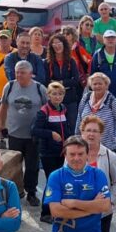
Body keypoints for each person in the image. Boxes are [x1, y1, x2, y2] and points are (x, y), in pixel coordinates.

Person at [73, 116, 116, 232]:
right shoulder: (73, 153)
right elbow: (64, 177)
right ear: (82, 133)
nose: (91, 134)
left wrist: (111, 202)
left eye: (95, 131)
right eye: (88, 130)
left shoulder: (109, 155)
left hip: (102, 211)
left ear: (101, 134)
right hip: (79, 210)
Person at [0, 61, 49, 207]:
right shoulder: (10, 86)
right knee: (14, 166)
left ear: (30, 74)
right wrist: (1, 125)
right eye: (17, 72)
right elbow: (3, 106)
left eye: (23, 72)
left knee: (32, 166)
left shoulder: (40, 89)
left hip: (33, 135)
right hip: (14, 133)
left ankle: (31, 192)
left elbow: (47, 109)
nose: (19, 75)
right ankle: (16, 191)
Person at [34, 82, 70, 222]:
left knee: (60, 181)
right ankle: (45, 212)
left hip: (62, 152)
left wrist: (68, 140)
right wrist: (51, 134)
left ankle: (57, 209)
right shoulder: (43, 111)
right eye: (54, 94)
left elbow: (66, 128)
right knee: (51, 182)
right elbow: (35, 130)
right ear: (48, 95)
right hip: (48, 153)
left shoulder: (63, 109)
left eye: (60, 94)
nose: (57, 96)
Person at [76, 72, 116, 153]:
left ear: (106, 85)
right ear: (91, 86)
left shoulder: (112, 101)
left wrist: (114, 139)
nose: (97, 86)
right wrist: (78, 137)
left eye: (100, 84)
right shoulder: (86, 98)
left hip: (108, 147)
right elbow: (79, 118)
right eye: (94, 84)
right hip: (87, 145)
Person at [90, 29, 116, 117]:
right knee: (104, 121)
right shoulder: (97, 55)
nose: (110, 40)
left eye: (112, 37)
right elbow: (92, 76)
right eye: (108, 38)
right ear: (103, 40)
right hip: (103, 95)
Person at [43, 33, 82, 128]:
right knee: (56, 126)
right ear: (51, 46)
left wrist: (61, 83)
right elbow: (46, 81)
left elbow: (76, 80)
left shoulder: (71, 61)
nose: (57, 45)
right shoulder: (47, 62)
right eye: (54, 43)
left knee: (72, 125)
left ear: (64, 44)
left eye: (59, 42)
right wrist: (67, 82)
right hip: (54, 99)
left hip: (70, 98)